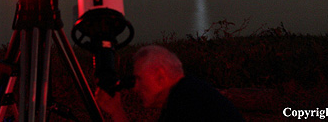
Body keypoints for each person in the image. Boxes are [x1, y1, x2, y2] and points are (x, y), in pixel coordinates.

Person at [95, 45, 244, 122]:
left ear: (160, 75)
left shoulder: (188, 103)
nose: (135, 87)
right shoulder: (187, 94)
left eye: (139, 79)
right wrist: (116, 111)